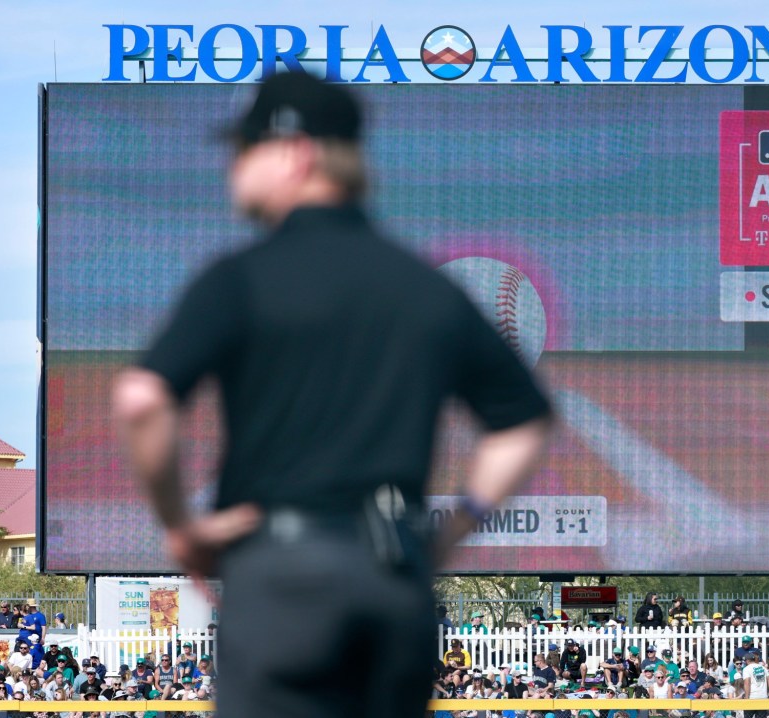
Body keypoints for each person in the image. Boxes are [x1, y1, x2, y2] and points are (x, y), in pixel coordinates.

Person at [113, 70, 552, 718]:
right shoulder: (422, 285)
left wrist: (179, 527)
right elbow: (523, 422)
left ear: (297, 152)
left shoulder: (242, 278)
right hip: (393, 574)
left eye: (247, 146)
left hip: (281, 577)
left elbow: (142, 400)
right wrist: (454, 531)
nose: (234, 165)